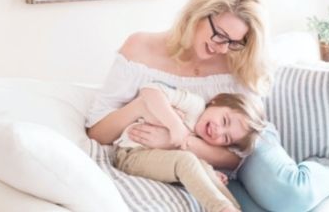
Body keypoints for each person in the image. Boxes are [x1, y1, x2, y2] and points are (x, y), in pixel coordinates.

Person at [86, 0, 329, 212]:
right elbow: (97, 131)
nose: (221, 48)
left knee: (289, 197)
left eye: (234, 41)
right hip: (194, 154)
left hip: (242, 136)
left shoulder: (236, 60)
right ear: (197, 14)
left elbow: (237, 153)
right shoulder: (140, 49)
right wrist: (147, 108)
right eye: (218, 34)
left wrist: (181, 139)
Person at [113, 82, 266, 212]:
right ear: (216, 101)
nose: (218, 131)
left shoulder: (203, 141)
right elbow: (149, 90)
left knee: (204, 170)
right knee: (186, 160)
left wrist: (207, 173)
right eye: (225, 121)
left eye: (226, 138)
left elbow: (187, 160)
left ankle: (233, 208)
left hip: (161, 162)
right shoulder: (194, 105)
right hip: (131, 155)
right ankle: (221, 209)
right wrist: (175, 125)